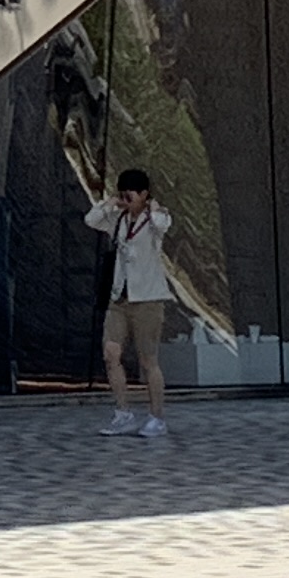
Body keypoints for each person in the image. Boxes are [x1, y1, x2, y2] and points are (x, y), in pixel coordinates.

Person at [86, 167, 176, 443]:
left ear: (144, 194)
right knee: (111, 353)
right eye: (122, 193)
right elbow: (91, 219)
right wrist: (110, 203)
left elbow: (163, 224)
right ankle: (123, 412)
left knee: (148, 359)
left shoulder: (152, 219)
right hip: (119, 298)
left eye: (131, 194)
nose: (126, 198)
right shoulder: (119, 219)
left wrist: (151, 208)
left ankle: (157, 416)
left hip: (147, 299)